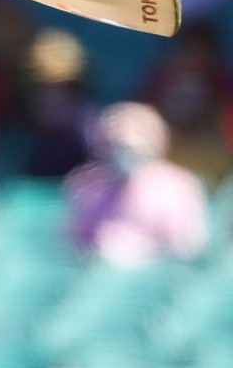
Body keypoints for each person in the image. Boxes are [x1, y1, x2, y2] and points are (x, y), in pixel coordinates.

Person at [65, 101, 209, 267]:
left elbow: (188, 248)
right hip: (100, 278)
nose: (123, 155)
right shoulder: (85, 185)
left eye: (132, 148)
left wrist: (134, 255)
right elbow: (73, 243)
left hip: (158, 279)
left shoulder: (182, 187)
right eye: (114, 146)